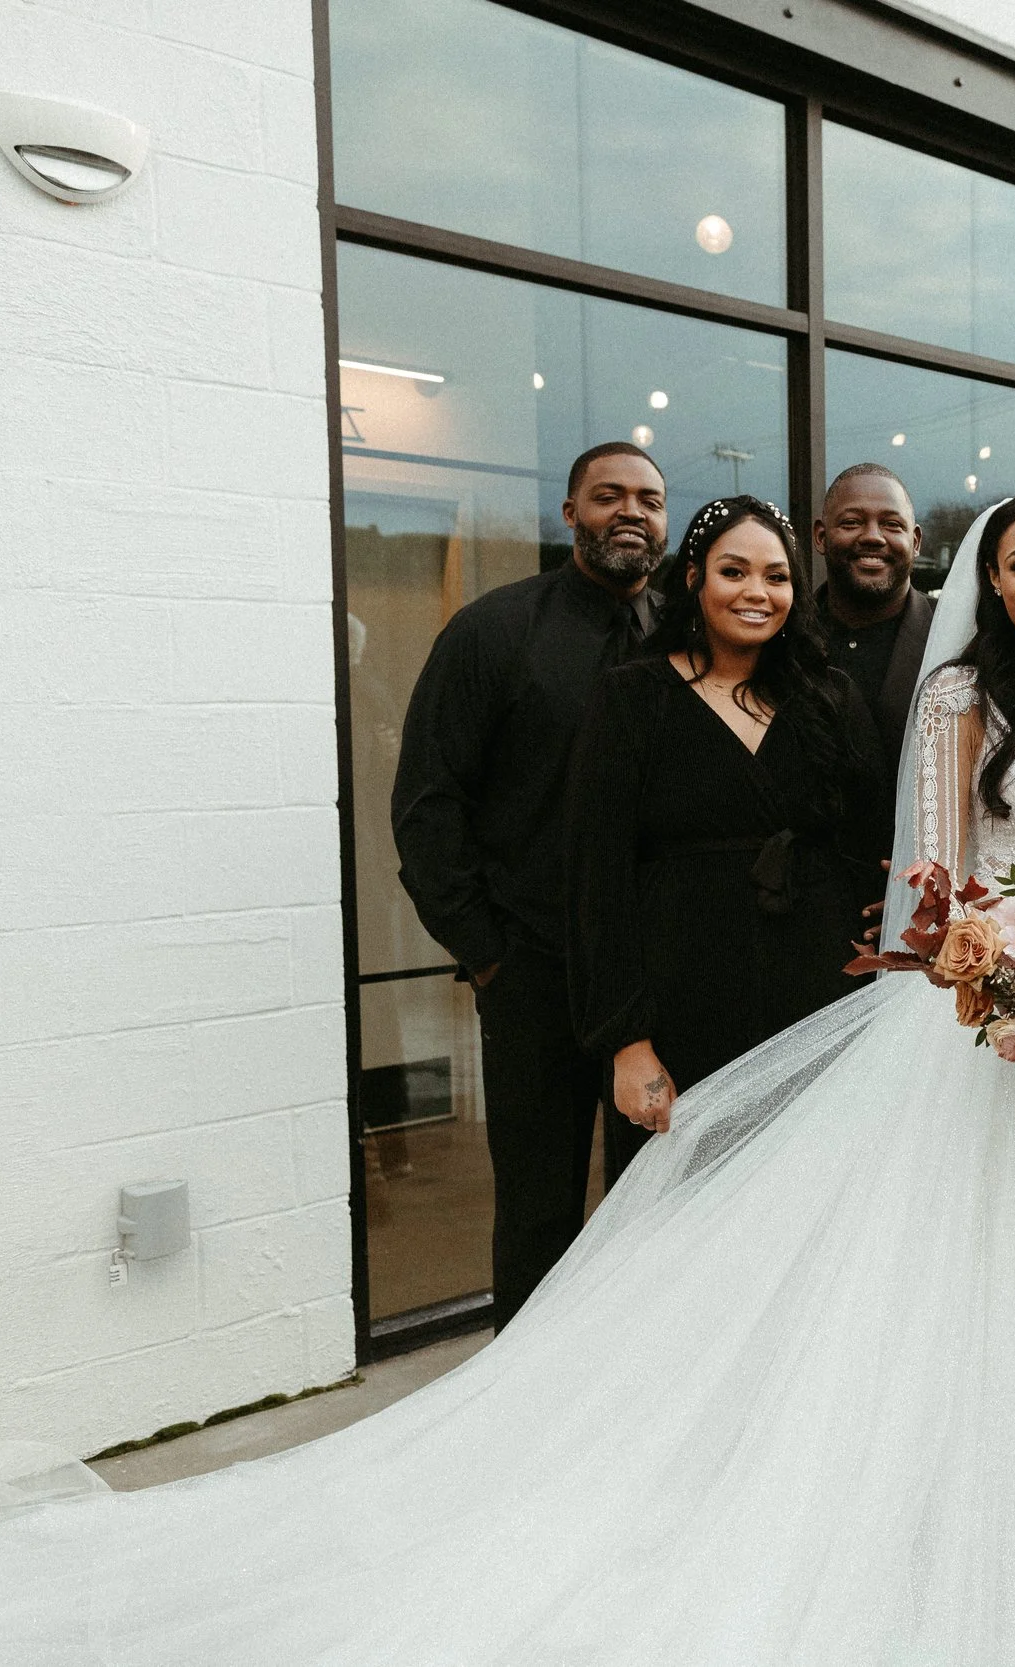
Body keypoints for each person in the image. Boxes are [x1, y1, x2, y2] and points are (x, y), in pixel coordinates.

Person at [0, 496, 1015, 1667]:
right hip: (985, 1038)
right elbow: (930, 889)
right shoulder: (964, 698)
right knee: (965, 1308)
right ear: (997, 578)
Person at [390, 440, 666, 1329]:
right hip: (534, 973)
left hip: (654, 977)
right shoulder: (493, 630)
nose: (631, 512)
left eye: (649, 500)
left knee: (658, 1197)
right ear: (570, 514)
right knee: (541, 1210)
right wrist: (487, 955)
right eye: (608, 496)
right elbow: (428, 803)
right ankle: (527, 1412)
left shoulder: (687, 637)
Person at [565, 495, 888, 1141]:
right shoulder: (631, 697)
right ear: (694, 579)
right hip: (681, 1004)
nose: (757, 592)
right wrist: (627, 1043)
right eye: (734, 571)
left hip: (817, 995)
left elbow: (870, 848)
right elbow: (595, 879)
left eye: (777, 576)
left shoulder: (832, 696)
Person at [811, 461, 936, 772]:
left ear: (916, 541)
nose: (873, 537)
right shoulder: (783, 635)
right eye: (852, 522)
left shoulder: (955, 635)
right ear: (821, 537)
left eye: (892, 524)